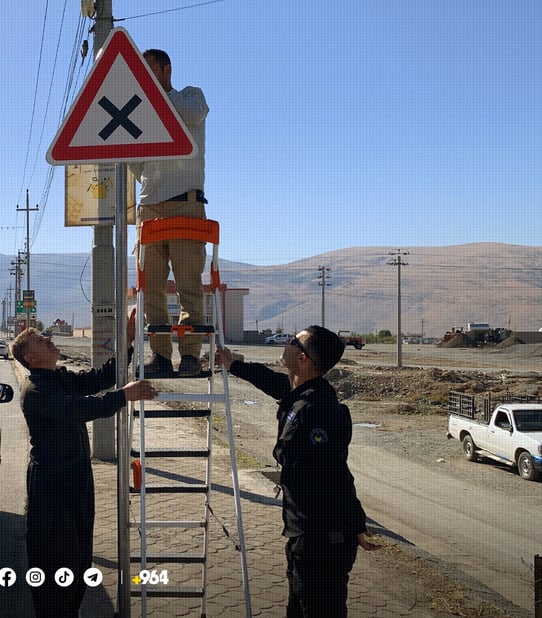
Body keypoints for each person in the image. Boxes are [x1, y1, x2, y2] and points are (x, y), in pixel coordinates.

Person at [216, 326, 379, 617]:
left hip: (322, 539)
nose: (287, 344)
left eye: (293, 341)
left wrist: (354, 521)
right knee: (300, 607)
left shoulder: (317, 410)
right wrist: (234, 366)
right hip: (306, 534)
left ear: (303, 358)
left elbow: (333, 471)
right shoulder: (302, 391)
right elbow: (271, 382)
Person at [10, 311, 157, 618]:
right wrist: (124, 396)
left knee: (78, 559)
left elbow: (100, 378)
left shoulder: (59, 377)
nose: (49, 340)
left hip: (76, 483)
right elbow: (77, 409)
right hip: (53, 491)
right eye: (41, 340)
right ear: (30, 357)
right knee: (55, 562)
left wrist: (128, 340)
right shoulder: (35, 390)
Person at [128, 48, 209, 379]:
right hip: (148, 208)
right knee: (150, 286)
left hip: (185, 203)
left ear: (166, 69)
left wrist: (147, 101)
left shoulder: (191, 97)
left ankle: (190, 356)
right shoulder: (140, 113)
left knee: (189, 284)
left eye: (149, 71)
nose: (145, 79)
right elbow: (134, 159)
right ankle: (160, 355)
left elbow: (192, 112)